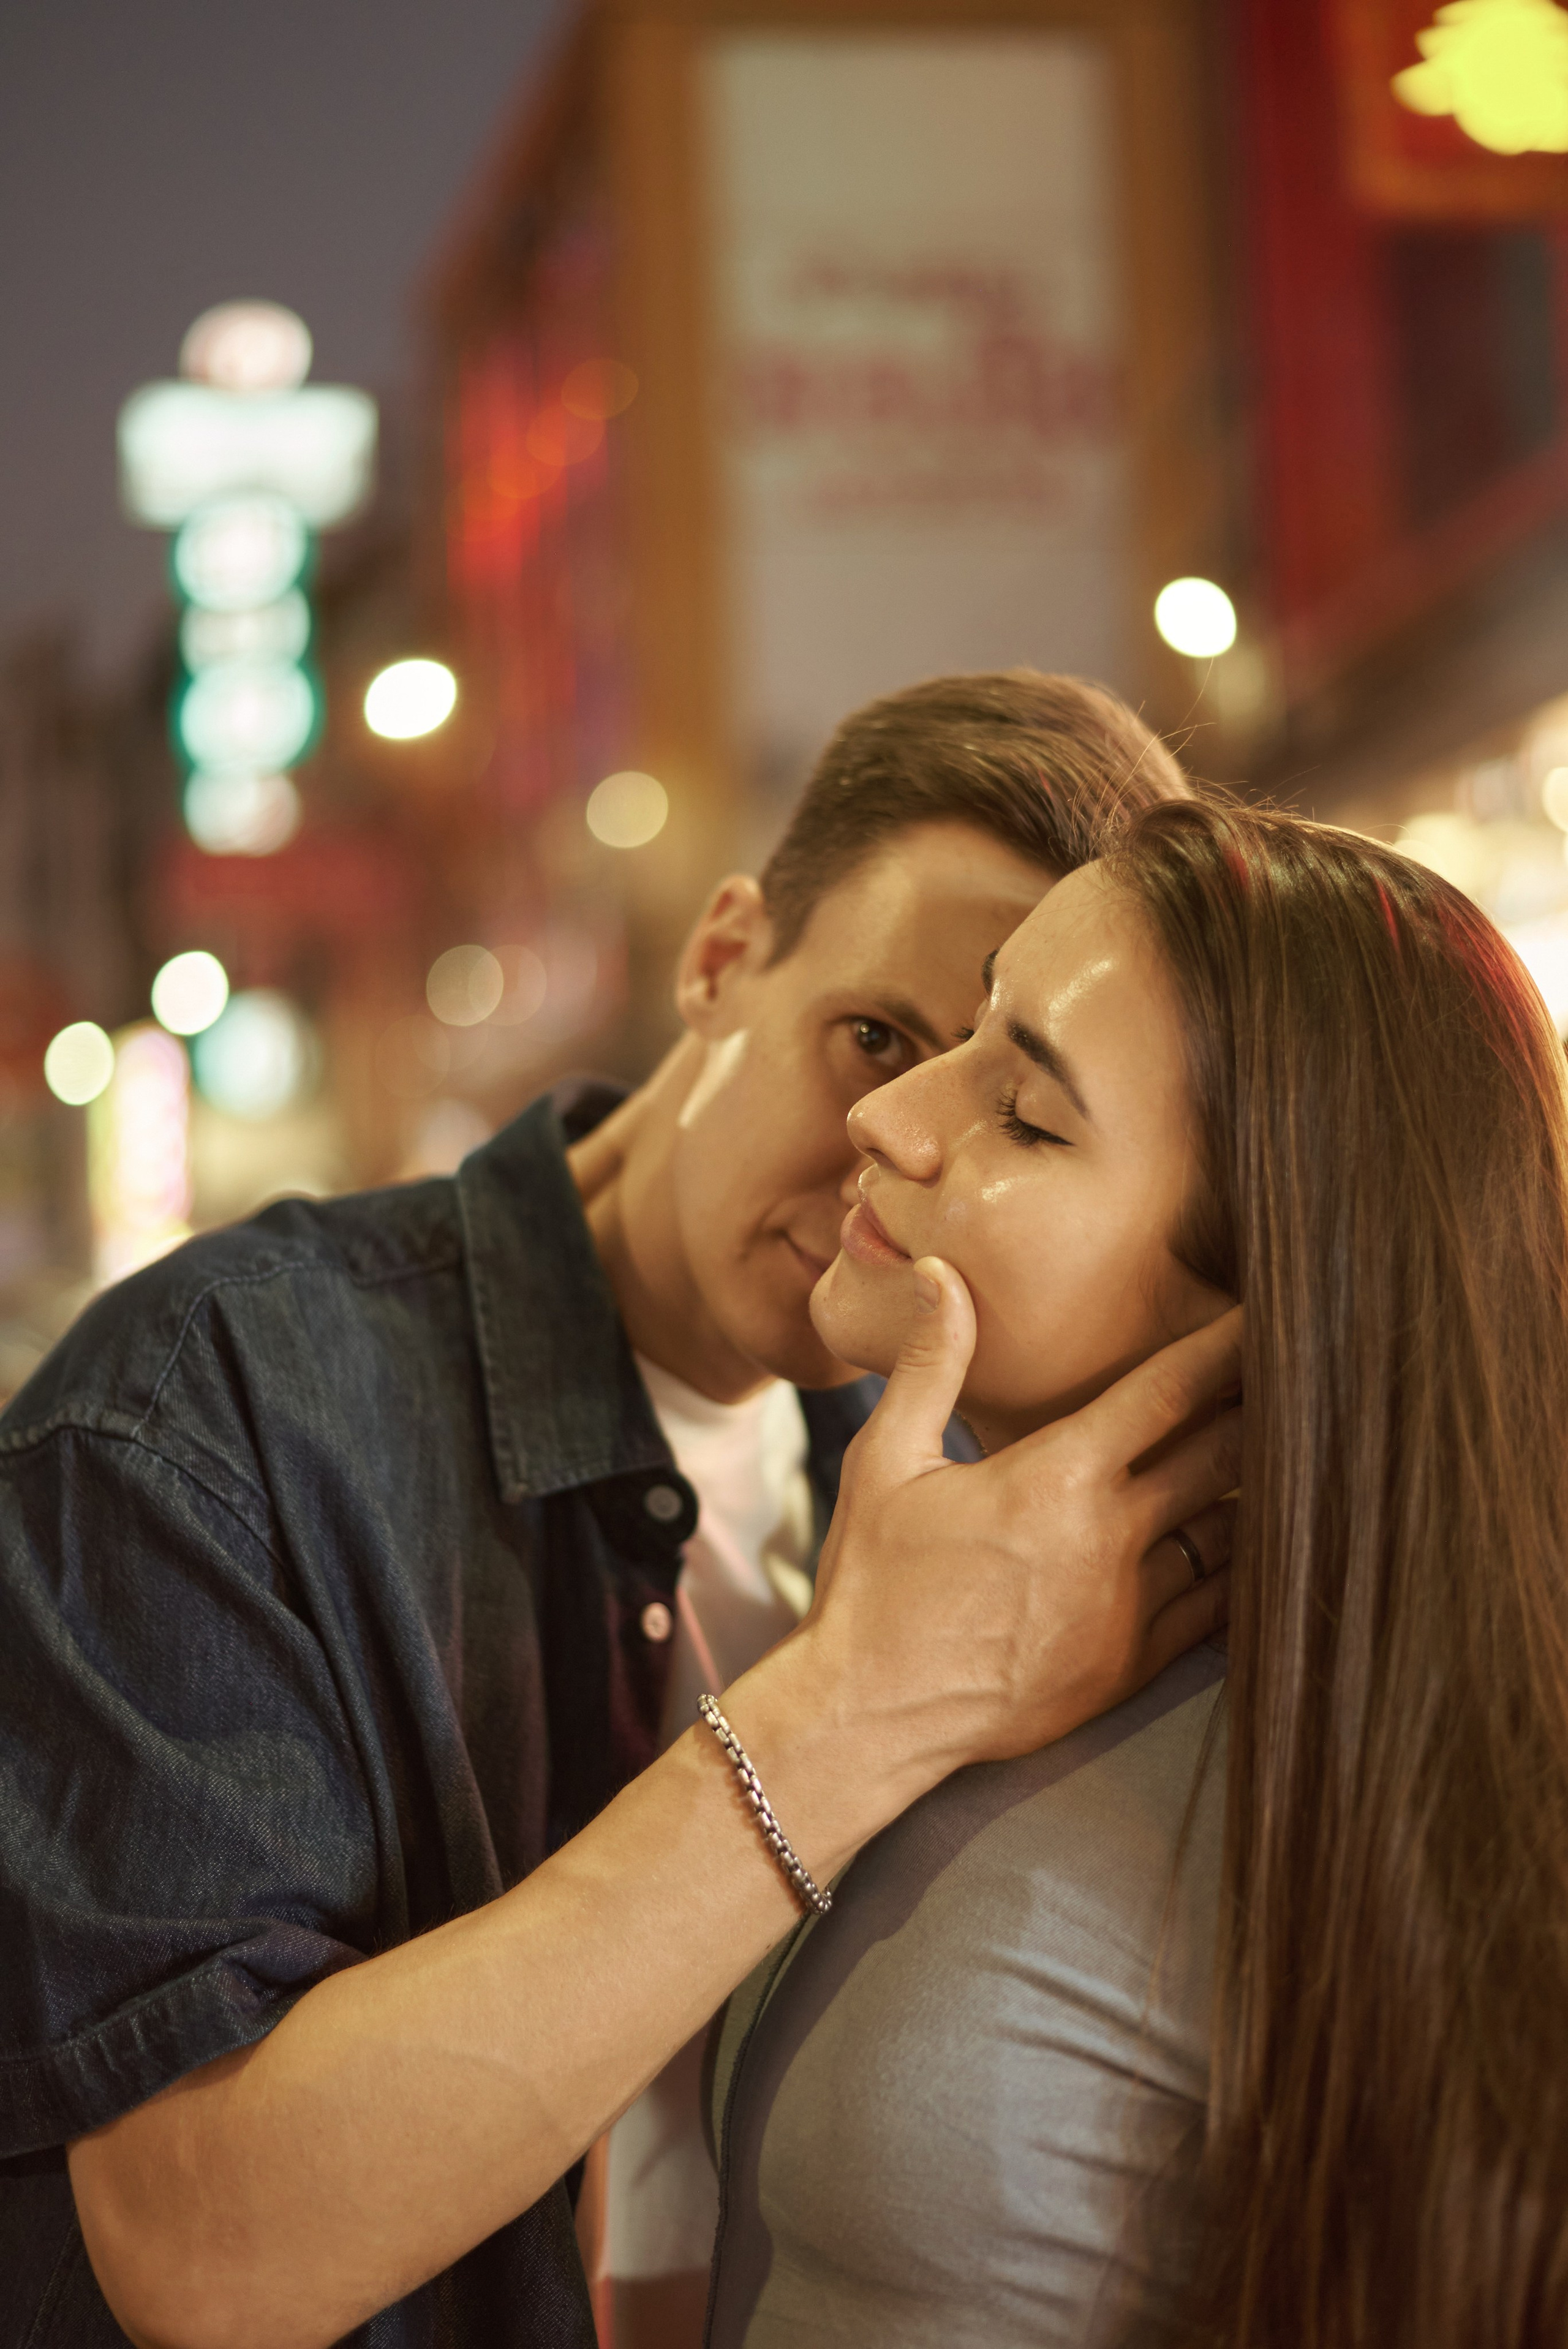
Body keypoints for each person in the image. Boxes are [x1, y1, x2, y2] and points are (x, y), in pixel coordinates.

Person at [0, 672, 1238, 2349]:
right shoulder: (215, 1406)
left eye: (1008, 1099)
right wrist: (852, 1708)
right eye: (878, 1037)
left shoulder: (981, 1476)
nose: (897, 1140)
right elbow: (203, 2245)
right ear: (722, 955)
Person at [705, 795, 1568, 2349]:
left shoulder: (1354, 1801)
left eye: (1026, 1116)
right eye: (968, 1029)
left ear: (1279, 1289)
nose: (893, 1118)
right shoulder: (949, 1607)